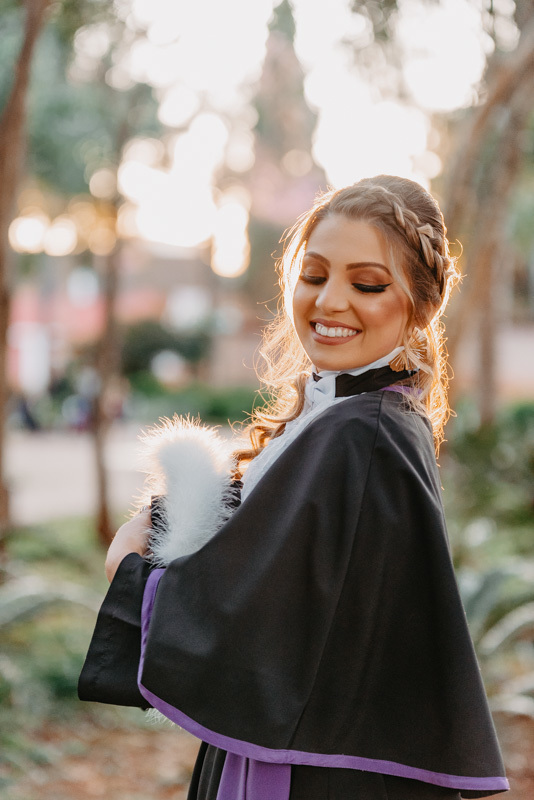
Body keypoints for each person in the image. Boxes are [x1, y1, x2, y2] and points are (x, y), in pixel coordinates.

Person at [79, 175, 509, 800]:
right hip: (293, 748)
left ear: (420, 305)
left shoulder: (366, 434)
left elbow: (257, 622)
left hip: (310, 771)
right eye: (314, 275)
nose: (332, 302)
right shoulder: (351, 417)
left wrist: (131, 572)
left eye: (367, 284)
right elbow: (295, 562)